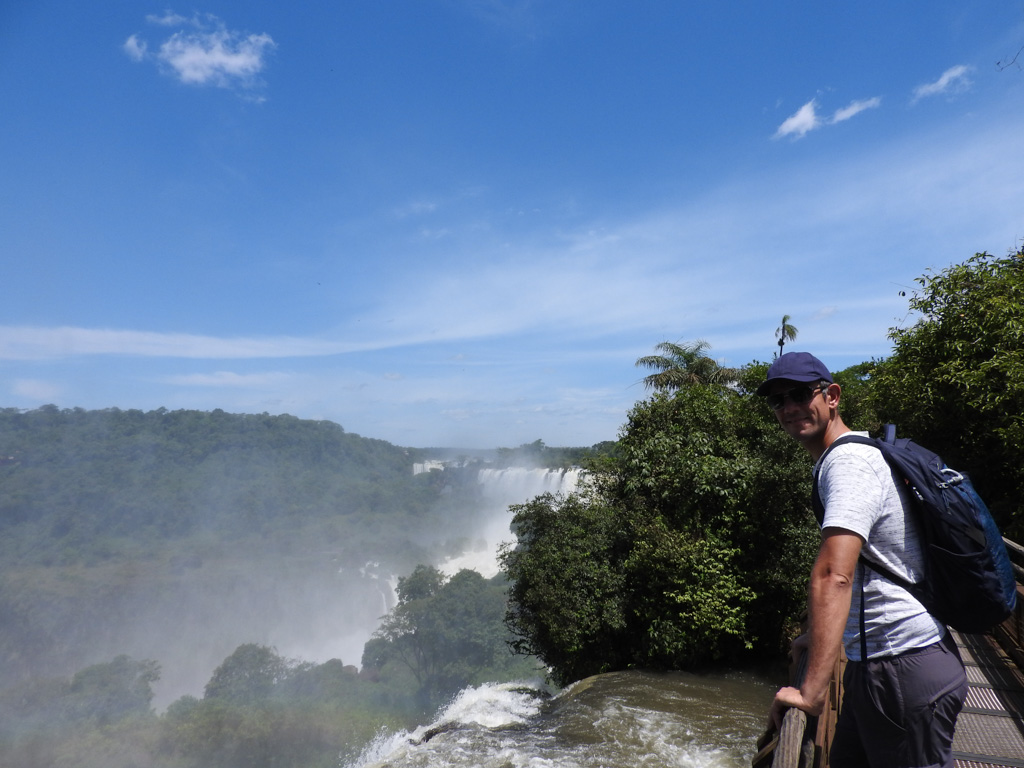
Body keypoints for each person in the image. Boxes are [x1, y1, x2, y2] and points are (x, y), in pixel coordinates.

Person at [759, 351, 967, 768]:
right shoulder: (852, 456)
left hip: (901, 664)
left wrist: (811, 692)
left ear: (832, 396)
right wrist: (817, 634)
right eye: (778, 400)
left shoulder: (849, 463)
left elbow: (835, 574)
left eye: (800, 393)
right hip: (875, 666)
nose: (789, 407)